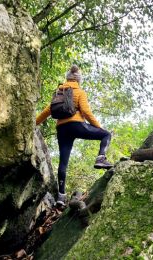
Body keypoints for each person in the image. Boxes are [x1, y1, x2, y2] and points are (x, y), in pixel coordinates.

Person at [36, 65, 113, 206]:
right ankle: (101, 158)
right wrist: (99, 127)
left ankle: (61, 197)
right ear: (78, 80)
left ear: (67, 78)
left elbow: (48, 110)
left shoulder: (60, 91)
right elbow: (86, 112)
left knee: (63, 162)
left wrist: (35, 123)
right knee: (106, 135)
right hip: (76, 125)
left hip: (62, 128)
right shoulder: (79, 91)